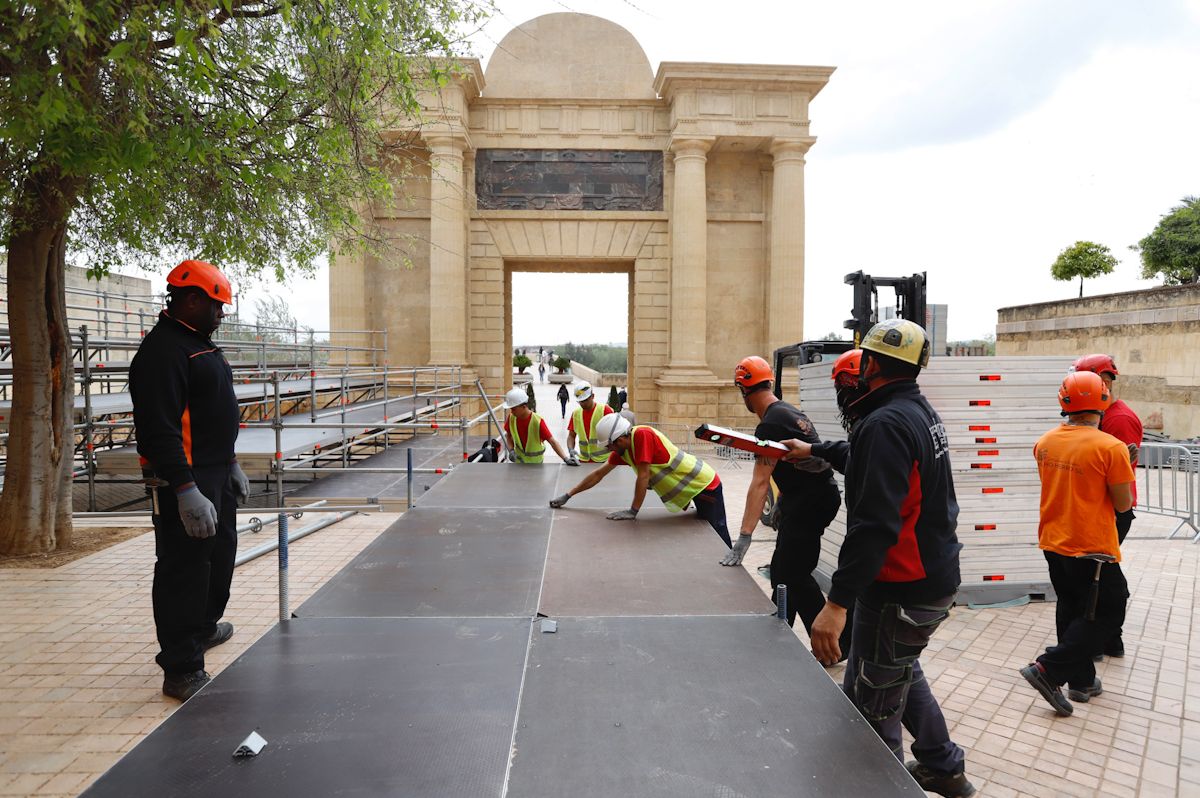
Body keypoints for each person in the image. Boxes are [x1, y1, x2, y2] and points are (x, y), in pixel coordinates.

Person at [780, 319, 974, 798]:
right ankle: (943, 767)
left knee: (871, 708)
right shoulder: (914, 411)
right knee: (899, 668)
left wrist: (837, 604)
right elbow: (870, 457)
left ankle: (875, 785)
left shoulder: (884, 423)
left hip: (899, 586)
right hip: (931, 578)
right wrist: (817, 451)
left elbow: (875, 526)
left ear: (868, 364)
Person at [130, 259, 248, 702]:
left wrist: (230, 462)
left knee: (219, 557)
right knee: (184, 569)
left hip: (214, 471)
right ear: (192, 299)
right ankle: (180, 666)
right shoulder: (163, 352)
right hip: (185, 479)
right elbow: (159, 429)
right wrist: (184, 489)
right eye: (217, 306)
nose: (221, 315)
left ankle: (201, 629)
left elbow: (209, 413)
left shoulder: (198, 343)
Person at [1018, 370, 1134, 718]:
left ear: (1064, 402)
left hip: (1054, 539)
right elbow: (1123, 504)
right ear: (1102, 401)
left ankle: (1081, 681)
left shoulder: (1045, 442)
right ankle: (1049, 669)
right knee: (1111, 609)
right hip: (1092, 545)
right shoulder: (1111, 448)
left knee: (1071, 607)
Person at [722, 356, 850, 656]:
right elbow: (797, 468)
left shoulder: (769, 425)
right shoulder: (787, 411)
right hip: (814, 498)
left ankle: (836, 646)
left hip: (810, 504)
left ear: (744, 390)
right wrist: (784, 500)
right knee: (782, 569)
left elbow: (759, 482)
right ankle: (780, 629)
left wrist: (744, 537)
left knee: (794, 574)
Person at [550, 414, 732, 547]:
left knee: (717, 531)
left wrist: (633, 511)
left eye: (610, 445)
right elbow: (598, 474)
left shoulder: (643, 435)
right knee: (705, 534)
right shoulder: (624, 450)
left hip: (704, 484)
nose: (610, 450)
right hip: (690, 489)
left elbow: (643, 475)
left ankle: (732, 570)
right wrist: (568, 495)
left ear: (620, 439)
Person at [1072, 353, 1142, 659]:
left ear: (1102, 382)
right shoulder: (1102, 417)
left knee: (1105, 577)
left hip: (1114, 509)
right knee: (1097, 574)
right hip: (1101, 507)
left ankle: (1108, 638)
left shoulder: (1119, 420)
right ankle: (1107, 640)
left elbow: (1120, 473)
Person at [501, 387, 577, 465]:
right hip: (519, 463)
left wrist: (566, 459)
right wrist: (511, 451)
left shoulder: (537, 421)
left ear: (524, 407)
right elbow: (509, 436)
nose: (512, 412)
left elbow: (552, 442)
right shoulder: (511, 418)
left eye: (513, 409)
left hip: (536, 466)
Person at [566, 381, 613, 463]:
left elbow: (616, 435)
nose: (583, 404)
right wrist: (571, 450)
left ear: (593, 396)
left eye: (585, 400)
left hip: (604, 461)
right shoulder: (576, 414)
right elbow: (571, 436)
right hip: (584, 461)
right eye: (580, 401)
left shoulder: (605, 410)